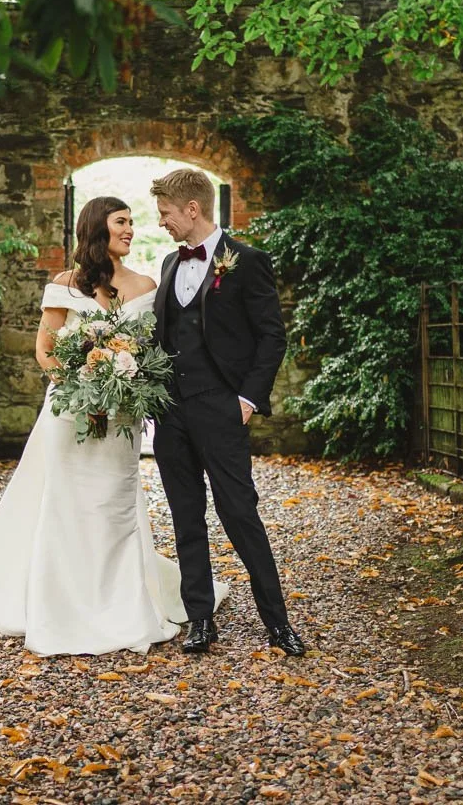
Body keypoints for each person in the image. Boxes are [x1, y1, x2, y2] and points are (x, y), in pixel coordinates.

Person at [0, 196, 228, 656]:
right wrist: (81, 385)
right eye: (121, 222)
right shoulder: (64, 286)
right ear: (96, 228)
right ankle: (62, 604)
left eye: (131, 222)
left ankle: (122, 603)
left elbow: (152, 354)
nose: (130, 229)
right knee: (68, 505)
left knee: (114, 505)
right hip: (70, 414)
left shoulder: (148, 286)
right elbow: (45, 350)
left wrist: (123, 384)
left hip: (122, 419)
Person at [149, 168, 306, 656]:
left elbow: (271, 336)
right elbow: (164, 336)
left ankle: (277, 622)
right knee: (185, 516)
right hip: (172, 414)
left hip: (221, 408)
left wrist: (246, 401)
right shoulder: (169, 266)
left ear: (191, 210)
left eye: (166, 214)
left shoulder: (248, 261)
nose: (162, 224)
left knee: (239, 513)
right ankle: (200, 619)